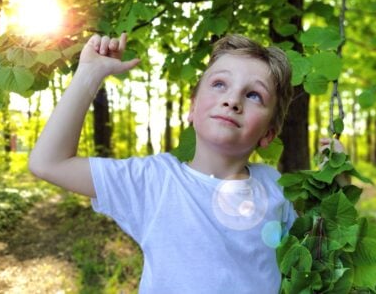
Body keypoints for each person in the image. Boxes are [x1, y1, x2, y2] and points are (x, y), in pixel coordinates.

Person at [29, 32, 298, 293]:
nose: (232, 100)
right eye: (219, 84)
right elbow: (48, 162)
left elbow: (311, 257)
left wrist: (337, 175)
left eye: (254, 95)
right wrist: (89, 73)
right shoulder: (154, 181)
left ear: (268, 134)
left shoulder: (275, 185)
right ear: (192, 108)